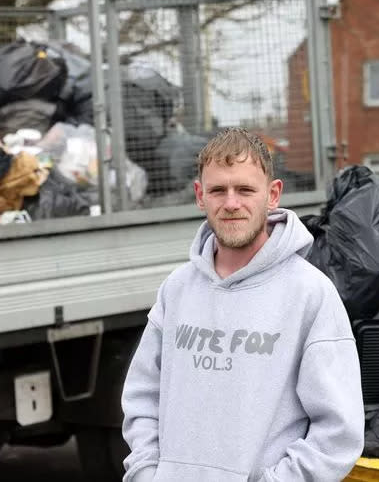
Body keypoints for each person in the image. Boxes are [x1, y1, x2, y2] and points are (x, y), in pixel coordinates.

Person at [121, 128, 364, 482]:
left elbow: (338, 434)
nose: (231, 203)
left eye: (245, 189)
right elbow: (142, 399)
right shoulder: (176, 289)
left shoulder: (310, 294)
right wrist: (146, 473)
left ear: (273, 194)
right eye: (218, 190)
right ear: (200, 196)